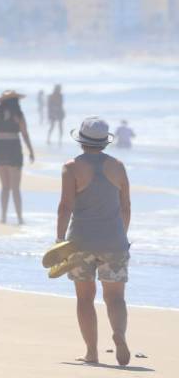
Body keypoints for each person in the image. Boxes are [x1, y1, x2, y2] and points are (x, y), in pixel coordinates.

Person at [56, 117, 131, 366]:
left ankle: (92, 352)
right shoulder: (118, 166)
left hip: (80, 242)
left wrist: (59, 240)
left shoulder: (71, 167)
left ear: (81, 140)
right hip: (114, 241)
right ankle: (119, 334)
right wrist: (122, 236)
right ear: (105, 141)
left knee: (85, 298)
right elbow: (126, 207)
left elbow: (65, 206)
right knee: (115, 297)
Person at [0, 90, 35, 224]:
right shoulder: (18, 114)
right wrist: (31, 151)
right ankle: (19, 218)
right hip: (13, 149)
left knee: (4, 187)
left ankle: (3, 217)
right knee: (15, 187)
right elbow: (25, 134)